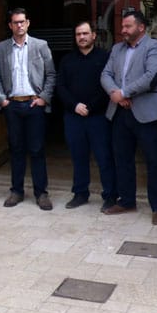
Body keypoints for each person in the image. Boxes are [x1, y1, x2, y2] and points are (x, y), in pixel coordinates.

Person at [100, 9, 157, 224]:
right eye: (123, 26)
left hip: (147, 114)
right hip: (120, 112)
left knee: (154, 161)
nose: (123, 30)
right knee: (122, 159)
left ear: (141, 27)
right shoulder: (117, 49)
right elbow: (105, 74)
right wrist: (116, 94)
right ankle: (127, 200)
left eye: (128, 26)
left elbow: (153, 76)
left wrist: (125, 92)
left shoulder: (155, 47)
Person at [0, 7, 56, 210]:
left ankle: (41, 193)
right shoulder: (1, 48)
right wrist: (2, 100)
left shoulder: (40, 46)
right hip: (12, 105)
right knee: (16, 150)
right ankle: (16, 191)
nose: (19, 25)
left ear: (28, 23)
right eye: (15, 22)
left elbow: (51, 74)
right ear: (10, 25)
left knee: (37, 149)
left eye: (22, 21)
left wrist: (44, 98)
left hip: (34, 104)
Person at [54, 21, 113, 210]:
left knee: (104, 157)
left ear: (93, 35)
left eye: (85, 33)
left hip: (98, 117)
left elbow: (109, 86)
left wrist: (91, 106)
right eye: (78, 34)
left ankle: (110, 195)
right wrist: (75, 105)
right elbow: (60, 87)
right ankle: (80, 194)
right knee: (78, 157)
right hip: (73, 117)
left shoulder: (105, 58)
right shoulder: (67, 60)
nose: (82, 37)